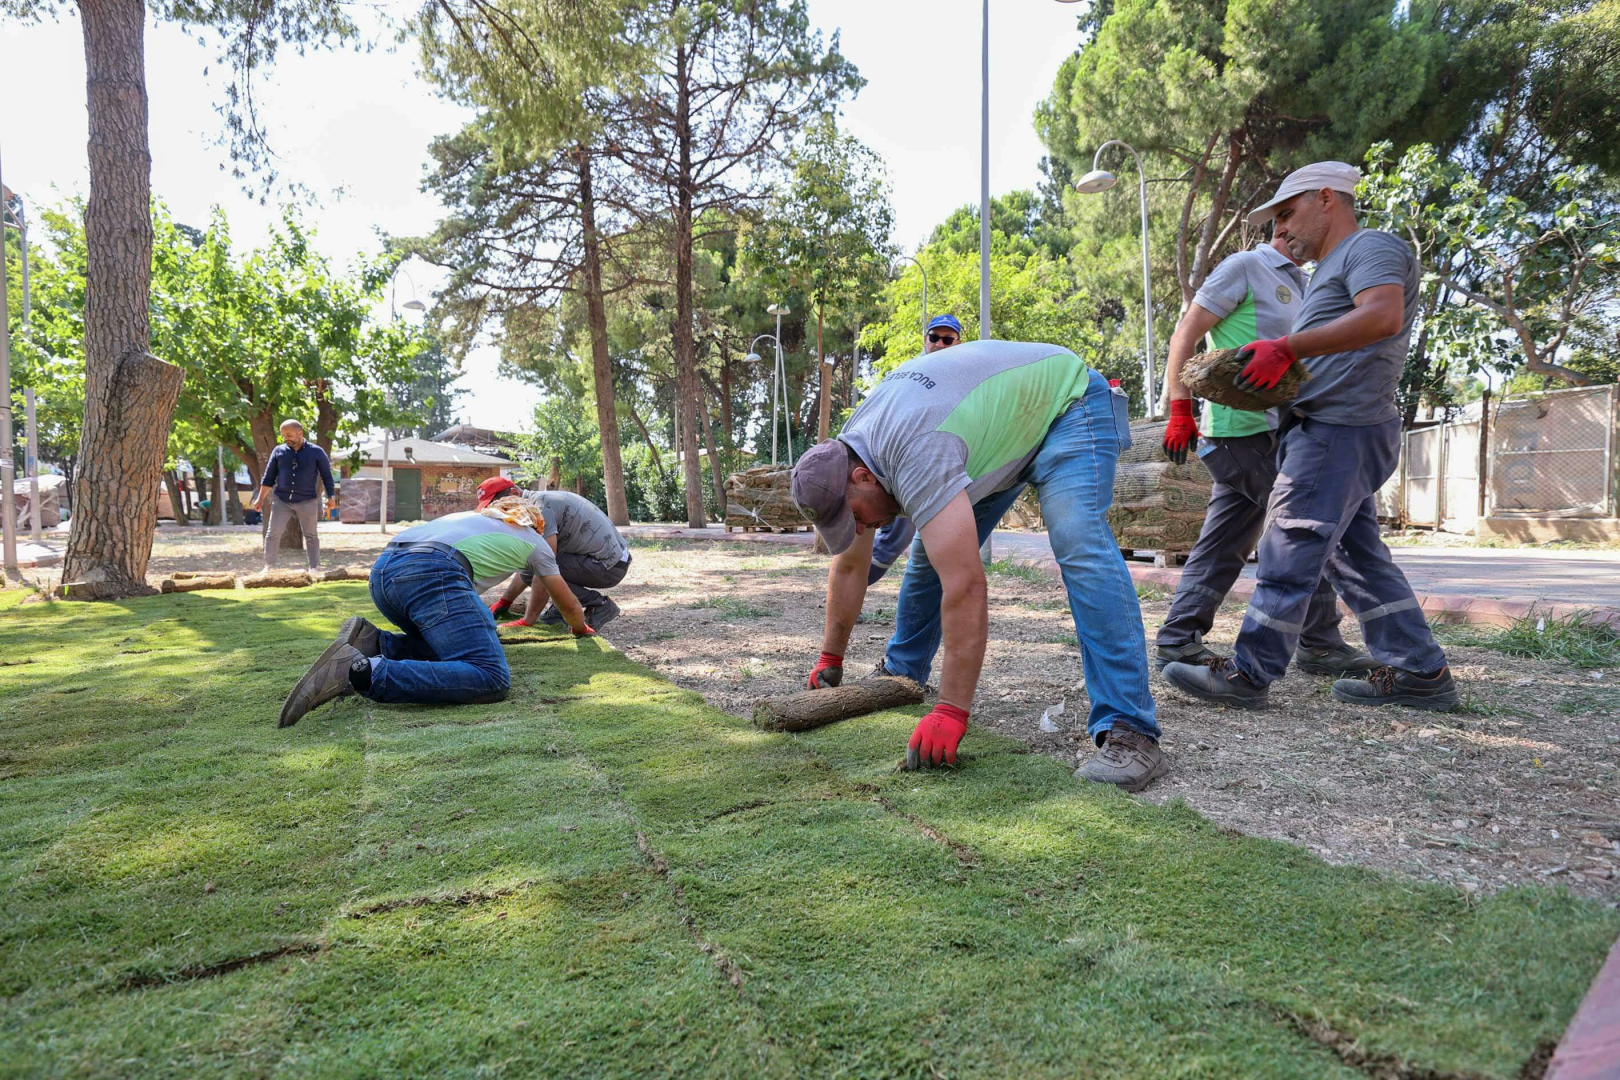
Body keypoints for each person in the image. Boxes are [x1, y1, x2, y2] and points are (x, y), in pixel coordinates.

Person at [793, 339, 1164, 790]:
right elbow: (851, 565)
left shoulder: (917, 451)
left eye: (854, 517)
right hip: (1002, 433)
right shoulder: (852, 453)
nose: (861, 527)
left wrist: (951, 710)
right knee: (936, 547)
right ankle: (902, 674)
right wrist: (830, 657)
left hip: (1069, 402)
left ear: (862, 477)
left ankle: (1132, 729)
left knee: (1077, 538)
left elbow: (966, 585)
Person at [1162, 161, 1459, 712]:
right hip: (1329, 427)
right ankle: (1421, 670)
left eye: (1288, 213)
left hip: (1339, 428)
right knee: (1358, 556)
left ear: (1327, 198)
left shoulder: (1372, 247)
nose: (1283, 228)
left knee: (1289, 545)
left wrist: (1289, 349)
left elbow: (1382, 316)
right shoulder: (1326, 269)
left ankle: (1249, 674)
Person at [1156, 235, 1373, 677]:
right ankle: (1320, 643)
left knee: (1224, 545)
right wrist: (1180, 408)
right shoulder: (1244, 266)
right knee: (1308, 526)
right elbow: (1185, 335)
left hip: (1282, 429)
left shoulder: (1308, 282)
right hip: (1243, 431)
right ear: (1284, 222)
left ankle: (1178, 638)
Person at [277, 496, 597, 728]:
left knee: (447, 645)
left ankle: (374, 643)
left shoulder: (475, 519)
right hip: (431, 571)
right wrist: (580, 627)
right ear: (536, 524)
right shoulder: (536, 541)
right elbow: (567, 603)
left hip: (384, 573)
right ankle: (361, 671)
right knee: (490, 675)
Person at [867, 314, 964, 587]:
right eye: (934, 338)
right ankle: (850, 592)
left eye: (947, 339)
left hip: (944, 467)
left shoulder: (963, 376)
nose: (939, 344)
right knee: (893, 539)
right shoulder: (911, 372)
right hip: (902, 465)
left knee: (946, 544)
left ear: (958, 343)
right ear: (925, 340)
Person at [475, 477, 631, 631]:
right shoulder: (537, 503)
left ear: (514, 493)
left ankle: (600, 604)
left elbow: (542, 565)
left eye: (500, 506)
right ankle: (559, 611)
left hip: (609, 567)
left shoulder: (542, 508)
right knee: (533, 566)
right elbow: (531, 560)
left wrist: (528, 621)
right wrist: (505, 602)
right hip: (607, 562)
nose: (500, 513)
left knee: (538, 569)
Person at [251, 419, 337, 571]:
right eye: (283, 435)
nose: (286, 438)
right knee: (272, 534)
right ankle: (269, 567)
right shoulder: (278, 451)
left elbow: (327, 476)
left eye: (289, 435)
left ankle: (314, 568)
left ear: (300, 433)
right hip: (282, 500)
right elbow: (268, 478)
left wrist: (331, 497)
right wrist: (260, 498)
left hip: (307, 500)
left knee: (311, 535)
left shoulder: (316, 452)